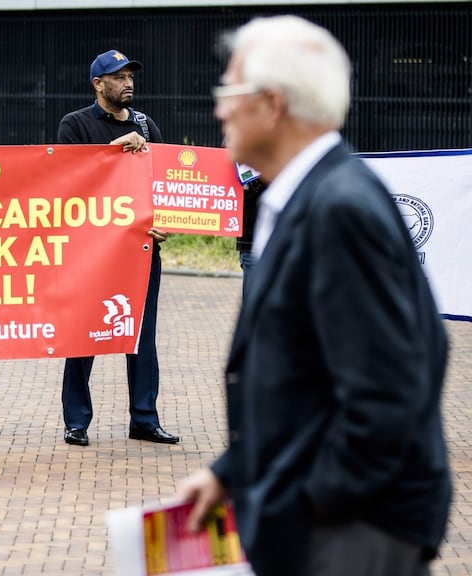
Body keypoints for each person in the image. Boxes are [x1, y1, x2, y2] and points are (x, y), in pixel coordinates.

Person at [176, 16, 450, 576]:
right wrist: (234, 472)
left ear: (273, 104)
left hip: (350, 532)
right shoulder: (311, 197)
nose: (218, 110)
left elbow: (391, 390)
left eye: (228, 91)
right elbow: (307, 383)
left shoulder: (338, 209)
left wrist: (313, 500)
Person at [56, 49, 178, 447]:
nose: (128, 82)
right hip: (91, 256)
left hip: (141, 254)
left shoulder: (146, 125)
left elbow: (162, 183)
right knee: (82, 334)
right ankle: (76, 421)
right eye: (118, 76)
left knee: (142, 335)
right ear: (98, 84)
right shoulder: (74, 125)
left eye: (130, 76)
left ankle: (144, 418)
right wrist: (112, 151)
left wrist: (165, 221)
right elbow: (69, 183)